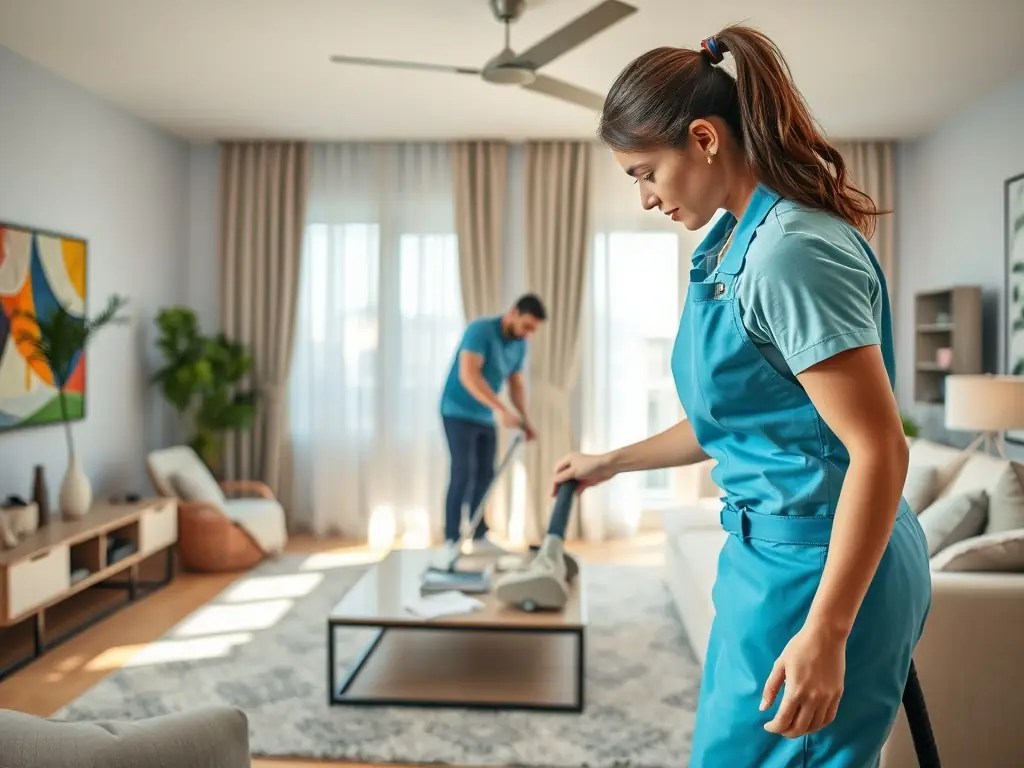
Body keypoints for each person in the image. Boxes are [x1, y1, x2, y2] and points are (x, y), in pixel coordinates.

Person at [552, 26, 931, 768]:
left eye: (644, 172)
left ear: (702, 139)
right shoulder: (738, 245)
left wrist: (827, 630)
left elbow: (879, 448)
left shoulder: (790, 252)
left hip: (820, 566)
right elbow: (736, 420)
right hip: (771, 558)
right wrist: (612, 461)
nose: (645, 197)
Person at [440, 293, 546, 548]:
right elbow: (469, 376)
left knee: (486, 473)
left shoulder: (520, 344)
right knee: (463, 471)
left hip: (484, 415)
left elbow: (516, 384)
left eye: (533, 330)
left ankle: (478, 533)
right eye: (527, 326)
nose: (529, 333)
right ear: (513, 313)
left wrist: (525, 420)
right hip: (457, 411)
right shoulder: (480, 331)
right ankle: (452, 537)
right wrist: (500, 409)